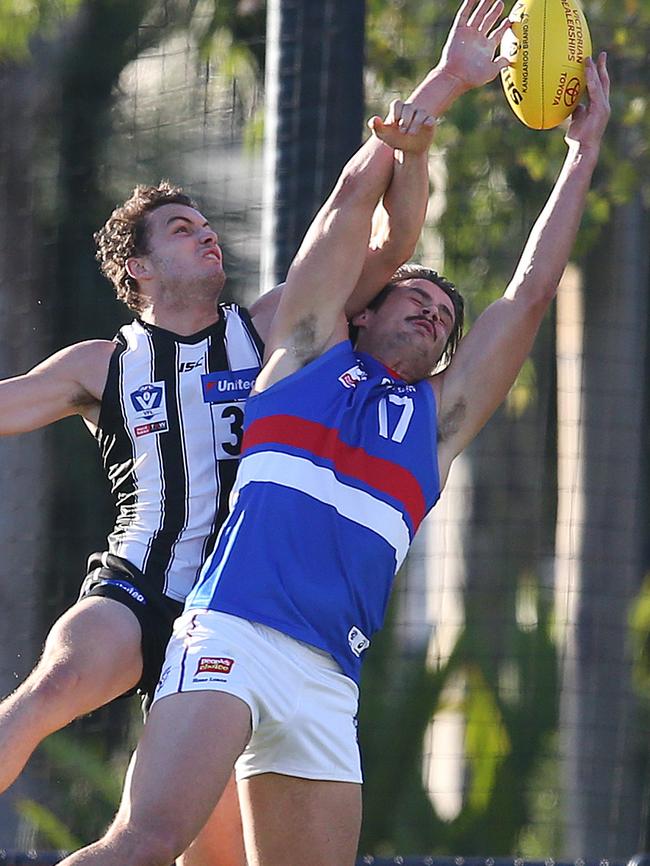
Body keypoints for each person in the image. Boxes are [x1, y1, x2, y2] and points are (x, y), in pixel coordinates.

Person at [52, 2, 591, 864]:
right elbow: (352, 199)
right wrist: (447, 81)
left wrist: (582, 152)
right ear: (362, 313)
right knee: (146, 842)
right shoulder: (299, 356)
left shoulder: (436, 427)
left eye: (445, 317)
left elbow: (528, 294)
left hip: (325, 682)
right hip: (229, 630)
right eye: (415, 295)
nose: (431, 310)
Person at [0, 72, 431, 866]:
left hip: (239, 612)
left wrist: (413, 140)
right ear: (138, 270)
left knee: (197, 855)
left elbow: (390, 248)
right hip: (139, 586)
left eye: (206, 224)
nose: (205, 234)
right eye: (179, 229)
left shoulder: (268, 328)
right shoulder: (102, 363)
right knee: (52, 689)